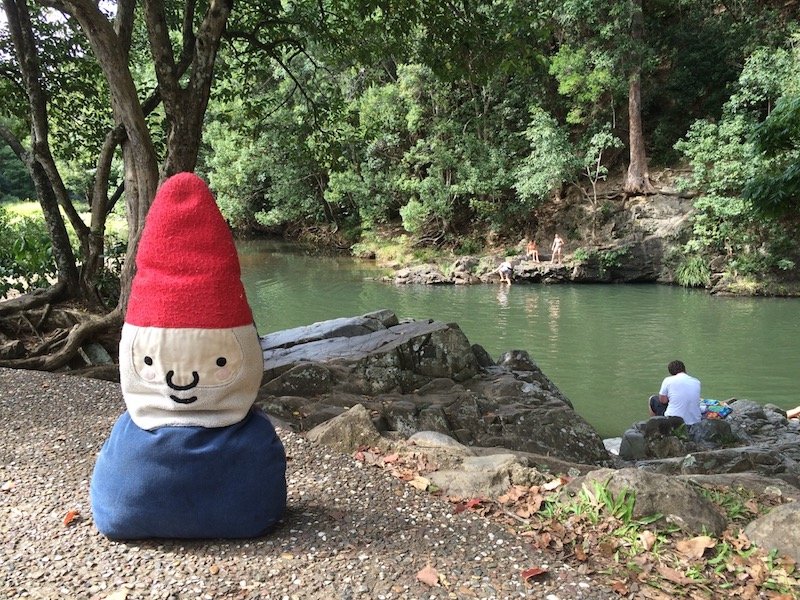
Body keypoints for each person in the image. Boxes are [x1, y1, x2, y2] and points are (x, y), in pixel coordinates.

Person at [657, 359, 702, 425]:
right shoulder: (697, 381)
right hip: (695, 421)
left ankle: (655, 426)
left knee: (652, 399)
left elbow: (663, 400)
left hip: (673, 420)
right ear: (684, 369)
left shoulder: (668, 380)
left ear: (671, 373)